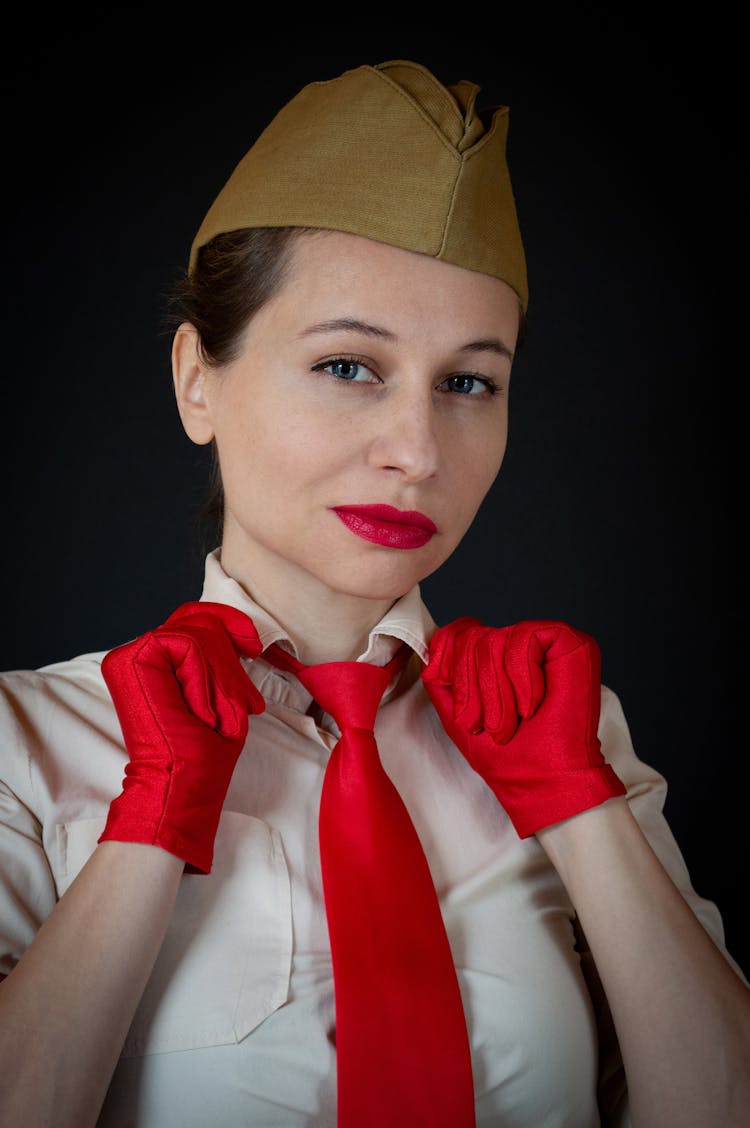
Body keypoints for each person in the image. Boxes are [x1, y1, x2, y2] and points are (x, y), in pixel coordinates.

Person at [0, 57, 748, 1128]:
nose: (416, 451)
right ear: (196, 379)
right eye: (349, 365)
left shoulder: (573, 739)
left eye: (468, 383)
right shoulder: (25, 751)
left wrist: (583, 808)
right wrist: (145, 829)